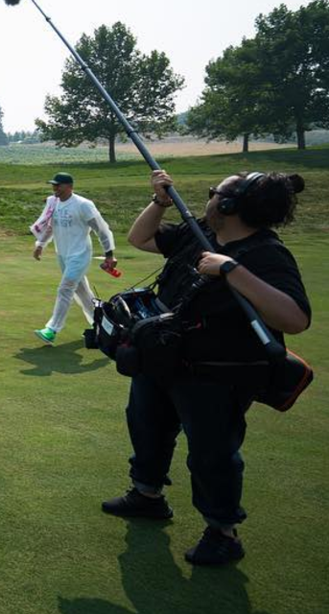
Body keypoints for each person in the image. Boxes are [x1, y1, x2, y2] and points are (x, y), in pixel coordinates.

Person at [101, 169, 310, 566]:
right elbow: (140, 239)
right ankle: (147, 495)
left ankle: (223, 532)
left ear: (229, 205)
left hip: (218, 375)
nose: (209, 198)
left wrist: (232, 270)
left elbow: (294, 318)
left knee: (212, 452)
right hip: (163, 359)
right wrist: (160, 202)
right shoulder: (197, 233)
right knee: (146, 425)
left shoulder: (266, 253)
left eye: (215, 193)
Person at [30, 172, 117, 343]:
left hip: (80, 255)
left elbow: (102, 230)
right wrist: (40, 245)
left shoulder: (83, 205)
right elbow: (50, 227)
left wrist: (109, 254)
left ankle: (51, 329)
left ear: (69, 186)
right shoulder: (53, 203)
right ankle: (101, 324)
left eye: (58, 185)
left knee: (65, 289)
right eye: (53, 185)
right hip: (62, 255)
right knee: (83, 292)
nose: (55, 188)